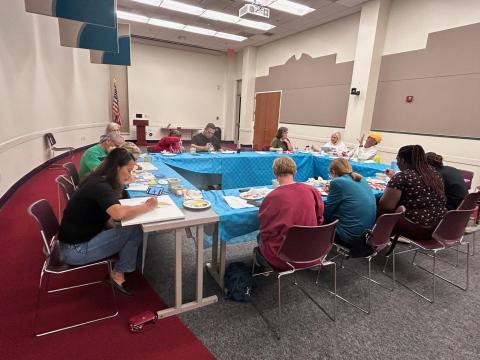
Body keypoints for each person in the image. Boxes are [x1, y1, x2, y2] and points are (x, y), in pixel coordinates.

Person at [58, 148, 158, 295]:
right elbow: (118, 214)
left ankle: (122, 268)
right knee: (133, 226)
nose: (130, 174)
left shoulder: (98, 179)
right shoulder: (100, 186)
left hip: (74, 242)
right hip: (75, 251)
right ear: (117, 167)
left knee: (129, 226)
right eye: (129, 170)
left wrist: (123, 181)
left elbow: (109, 215)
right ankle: (119, 273)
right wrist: (147, 206)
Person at [258, 157, 324, 270]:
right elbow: (320, 218)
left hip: (283, 257)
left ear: (275, 173)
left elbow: (265, 230)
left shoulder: (272, 197)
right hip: (312, 251)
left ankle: (265, 268)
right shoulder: (312, 190)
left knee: (260, 237)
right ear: (295, 171)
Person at [378, 145, 447, 240]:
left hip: (418, 227)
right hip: (440, 226)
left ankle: (372, 241)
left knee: (377, 208)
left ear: (402, 161)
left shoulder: (403, 177)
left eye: (397, 160)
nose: (397, 163)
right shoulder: (434, 173)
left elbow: (387, 206)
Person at [324, 158, 376, 256]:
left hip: (350, 236)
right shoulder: (361, 179)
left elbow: (327, 211)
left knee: (317, 217)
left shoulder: (337, 182)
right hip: (366, 234)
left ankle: (313, 256)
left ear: (333, 172)